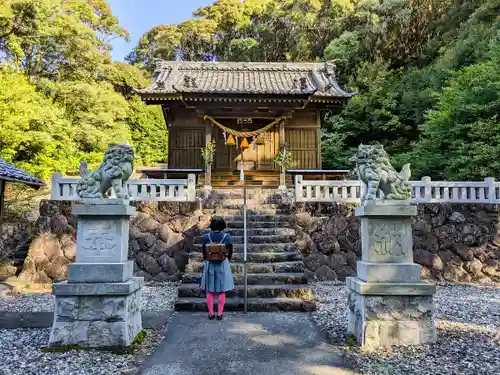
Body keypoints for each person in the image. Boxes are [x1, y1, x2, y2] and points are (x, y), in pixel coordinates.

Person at [200, 215, 234, 320]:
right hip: (223, 263)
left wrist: (207, 259)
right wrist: (227, 259)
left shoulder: (206, 237)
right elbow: (230, 251)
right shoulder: (227, 237)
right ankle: (219, 314)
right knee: (221, 291)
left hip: (210, 264)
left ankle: (211, 314)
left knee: (210, 291)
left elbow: (204, 252)